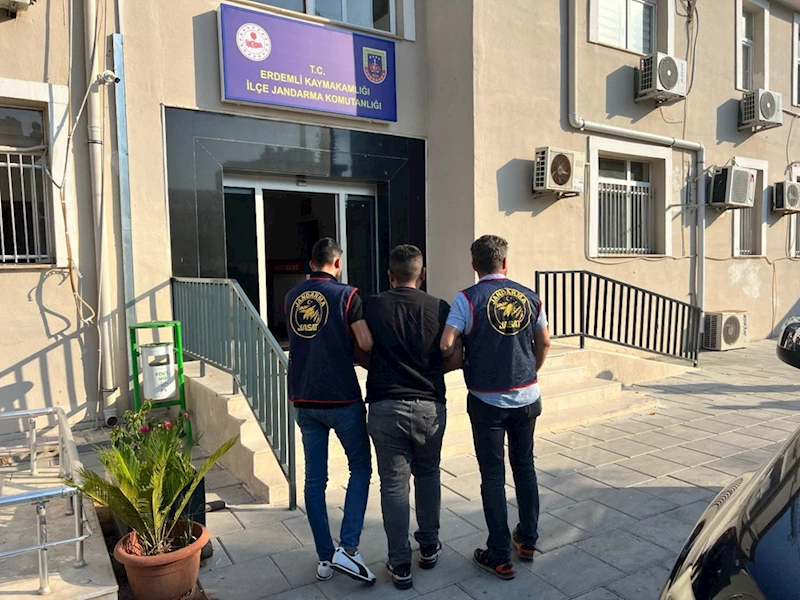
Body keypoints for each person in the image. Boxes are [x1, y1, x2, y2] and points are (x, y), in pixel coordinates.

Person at [440, 234, 551, 580]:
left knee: (492, 475)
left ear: (474, 265)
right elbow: (545, 342)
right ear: (505, 263)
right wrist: (531, 370)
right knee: (525, 467)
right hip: (527, 397)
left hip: (487, 400)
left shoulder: (466, 299)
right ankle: (528, 540)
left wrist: (463, 352)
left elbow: (445, 343)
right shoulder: (530, 296)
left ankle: (500, 555)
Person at [361, 245, 462, 590]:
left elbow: (360, 350)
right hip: (429, 405)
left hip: (385, 405)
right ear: (423, 274)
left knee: (393, 485)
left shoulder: (370, 305)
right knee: (429, 474)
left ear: (390, 275)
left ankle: (400, 562)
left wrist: (380, 369)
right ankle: (429, 547)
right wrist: (430, 373)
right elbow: (453, 355)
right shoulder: (440, 307)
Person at [285, 237, 376, 584]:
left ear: (312, 264)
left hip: (304, 398)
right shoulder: (348, 296)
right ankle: (348, 548)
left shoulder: (292, 297)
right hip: (341, 398)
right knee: (360, 468)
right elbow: (365, 342)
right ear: (337, 263)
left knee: (314, 481)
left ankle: (325, 557)